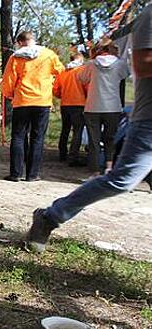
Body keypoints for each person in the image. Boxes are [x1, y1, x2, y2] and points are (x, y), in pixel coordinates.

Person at [26, 3, 152, 253]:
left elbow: (79, 80)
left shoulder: (89, 66)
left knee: (91, 141)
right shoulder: (150, 16)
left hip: (89, 105)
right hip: (140, 116)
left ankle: (92, 168)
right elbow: (141, 66)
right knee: (121, 178)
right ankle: (51, 216)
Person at [2, 31, 64, 182]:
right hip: (42, 101)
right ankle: (33, 174)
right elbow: (61, 72)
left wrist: (9, 94)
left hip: (22, 100)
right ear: (33, 40)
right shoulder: (48, 54)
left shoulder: (15, 57)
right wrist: (54, 87)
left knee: (18, 136)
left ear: (19, 42)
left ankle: (16, 173)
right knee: (37, 137)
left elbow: (8, 80)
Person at [78, 38, 130, 177]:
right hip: (113, 106)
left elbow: (81, 78)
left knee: (94, 141)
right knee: (110, 139)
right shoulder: (120, 64)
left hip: (92, 106)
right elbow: (126, 74)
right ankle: (109, 168)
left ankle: (94, 171)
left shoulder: (91, 64)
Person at [53, 52, 87, 166]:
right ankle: (73, 157)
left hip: (65, 104)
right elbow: (87, 87)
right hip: (79, 104)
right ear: (80, 60)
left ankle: (62, 154)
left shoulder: (63, 72)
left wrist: (63, 95)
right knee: (77, 131)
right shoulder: (82, 71)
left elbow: (55, 89)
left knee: (65, 129)